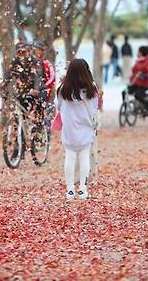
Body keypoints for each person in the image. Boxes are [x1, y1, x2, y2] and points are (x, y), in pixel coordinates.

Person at [57, 59, 99, 201]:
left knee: (69, 157)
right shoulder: (92, 88)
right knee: (84, 157)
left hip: (69, 128)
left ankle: (69, 190)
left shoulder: (63, 89)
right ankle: (83, 190)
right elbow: (94, 109)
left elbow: (58, 106)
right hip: (85, 127)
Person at [0, 41, 44, 120]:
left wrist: (36, 89)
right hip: (23, 90)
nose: (22, 55)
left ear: (28, 51)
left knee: (36, 115)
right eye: (19, 52)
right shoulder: (15, 62)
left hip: (36, 91)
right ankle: (19, 127)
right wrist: (0, 89)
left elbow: (37, 77)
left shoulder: (35, 62)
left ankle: (38, 127)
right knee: (18, 110)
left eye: (24, 52)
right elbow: (8, 76)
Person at [126, 45, 148, 115]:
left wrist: (143, 75)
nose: (137, 53)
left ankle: (147, 106)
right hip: (137, 83)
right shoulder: (138, 61)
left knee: (137, 95)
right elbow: (134, 71)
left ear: (141, 52)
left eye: (138, 51)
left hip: (146, 84)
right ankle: (128, 106)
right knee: (126, 91)